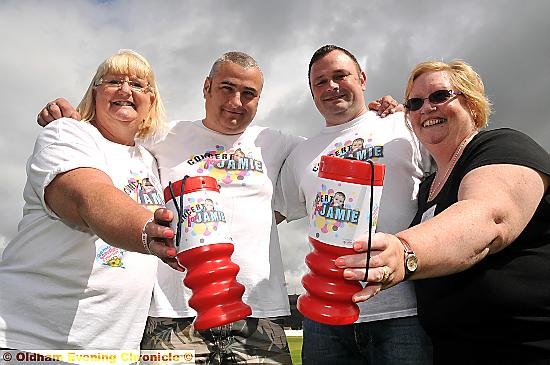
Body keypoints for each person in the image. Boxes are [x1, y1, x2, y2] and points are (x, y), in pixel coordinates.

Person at [36, 50, 399, 364]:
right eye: (226, 88)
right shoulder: (163, 136)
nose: (236, 102)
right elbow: (113, 129)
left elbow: (333, 143)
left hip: (260, 314)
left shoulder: (280, 144)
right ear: (207, 87)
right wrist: (74, 120)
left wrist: (379, 115)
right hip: (175, 315)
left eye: (249, 93)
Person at [337, 59, 550, 364]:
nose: (426, 108)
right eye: (415, 102)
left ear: (473, 105)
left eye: (439, 96)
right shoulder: (427, 186)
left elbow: (488, 216)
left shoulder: (503, 146)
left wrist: (405, 251)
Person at [0, 49, 179, 353]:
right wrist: (149, 230)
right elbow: (87, 195)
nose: (125, 90)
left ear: (151, 101)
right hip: (32, 341)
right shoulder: (66, 133)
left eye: (138, 85)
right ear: (94, 93)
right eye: (112, 81)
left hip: (115, 348)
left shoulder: (152, 161)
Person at [275, 45, 433, 365]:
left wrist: (411, 109)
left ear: (362, 79)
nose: (331, 86)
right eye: (320, 82)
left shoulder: (406, 125)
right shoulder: (302, 155)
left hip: (405, 311)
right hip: (325, 317)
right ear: (311, 92)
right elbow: (267, 216)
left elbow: (458, 164)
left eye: (340, 76)